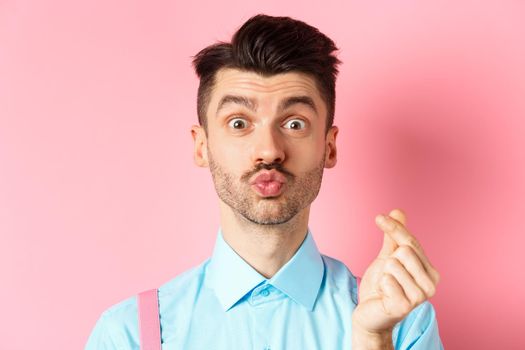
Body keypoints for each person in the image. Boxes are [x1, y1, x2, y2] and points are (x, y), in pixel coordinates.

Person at [85, 14, 443, 350]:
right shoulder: (129, 334)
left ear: (329, 147)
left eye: (295, 123)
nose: (269, 151)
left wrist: (372, 339)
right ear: (202, 146)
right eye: (239, 123)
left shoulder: (402, 322)